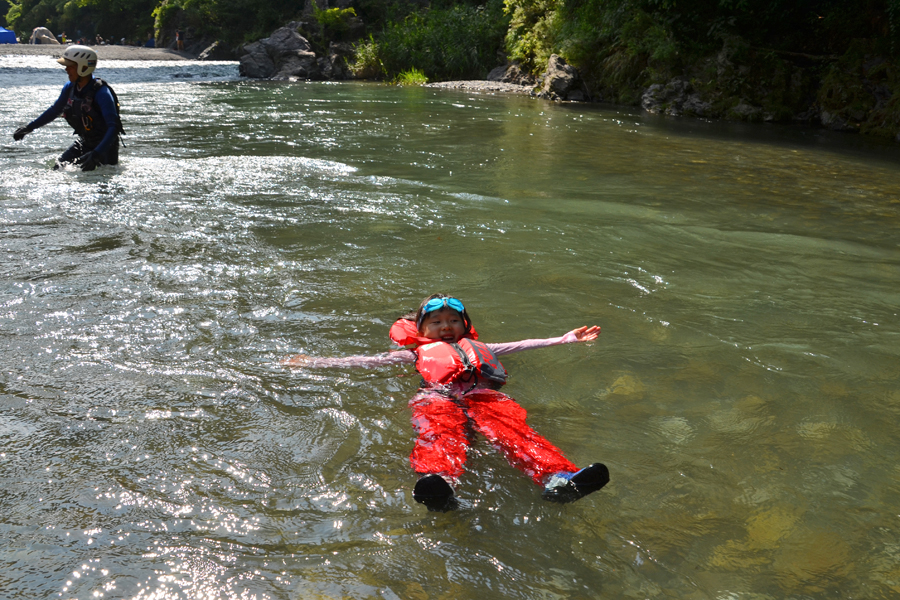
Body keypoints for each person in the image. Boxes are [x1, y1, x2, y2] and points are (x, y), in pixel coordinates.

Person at [283, 294, 609, 510]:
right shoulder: (415, 354)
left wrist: (565, 339)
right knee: (439, 433)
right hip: (436, 396)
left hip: (484, 395)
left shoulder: (483, 346)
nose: (446, 327)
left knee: (515, 432)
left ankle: (558, 479)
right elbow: (365, 362)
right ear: (422, 330)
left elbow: (524, 344)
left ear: (465, 326)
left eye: (453, 320)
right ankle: (442, 485)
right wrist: (313, 363)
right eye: (436, 322)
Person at [12, 45, 122, 171]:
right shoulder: (70, 88)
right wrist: (29, 127)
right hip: (85, 143)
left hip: (106, 148)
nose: (66, 69)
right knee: (57, 168)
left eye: (70, 66)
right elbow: (55, 110)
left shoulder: (102, 93)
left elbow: (114, 127)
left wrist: (96, 154)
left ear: (84, 68)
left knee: (99, 179)